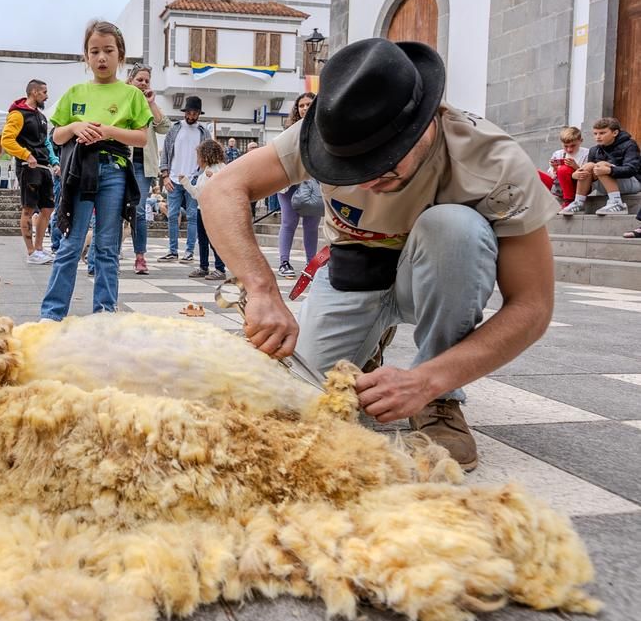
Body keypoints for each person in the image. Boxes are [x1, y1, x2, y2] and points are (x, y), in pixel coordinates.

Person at [200, 38, 560, 470]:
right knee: (298, 402)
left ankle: (439, 401)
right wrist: (261, 289)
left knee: (454, 228)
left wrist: (428, 381)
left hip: (439, 270)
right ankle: (367, 345)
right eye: (348, 168)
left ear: (425, 122)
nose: (366, 182)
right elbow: (221, 190)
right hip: (354, 271)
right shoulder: (328, 130)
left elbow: (533, 306)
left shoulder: (494, 163)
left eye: (383, 163)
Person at [40, 20, 150, 322]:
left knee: (106, 246)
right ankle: (51, 314)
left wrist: (109, 132)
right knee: (70, 244)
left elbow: (141, 137)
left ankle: (104, 315)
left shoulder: (132, 96)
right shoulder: (76, 92)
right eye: (94, 51)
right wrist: (75, 126)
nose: (101, 57)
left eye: (108, 50)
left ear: (120, 55)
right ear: (86, 57)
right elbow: (57, 136)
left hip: (115, 171)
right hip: (79, 172)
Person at [2, 79, 58, 264]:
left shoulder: (41, 117)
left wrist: (54, 161)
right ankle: (31, 252)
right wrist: (26, 155)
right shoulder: (18, 114)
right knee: (28, 209)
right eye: (44, 92)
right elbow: (7, 140)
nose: (47, 96)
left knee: (48, 208)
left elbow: (46, 142)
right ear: (34, 92)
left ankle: (40, 248)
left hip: (44, 167)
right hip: (28, 168)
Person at [125, 65, 171, 274]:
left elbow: (165, 127)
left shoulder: (148, 106)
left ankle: (140, 257)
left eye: (146, 81)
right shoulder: (122, 98)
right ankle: (106, 255)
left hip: (143, 166)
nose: (143, 84)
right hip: (121, 162)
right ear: (131, 80)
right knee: (115, 211)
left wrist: (152, 103)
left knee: (139, 211)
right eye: (140, 80)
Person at [158, 95, 212, 264]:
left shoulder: (204, 132)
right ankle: (172, 251)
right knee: (172, 215)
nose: (191, 116)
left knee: (192, 216)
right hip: (174, 178)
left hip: (194, 179)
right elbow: (166, 152)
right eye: (189, 112)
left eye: (195, 113)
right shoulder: (175, 129)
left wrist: (207, 172)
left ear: (199, 114)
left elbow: (209, 155)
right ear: (185, 112)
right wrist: (165, 175)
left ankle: (189, 252)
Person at [276, 91, 320, 278]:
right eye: (301, 105)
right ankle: (284, 262)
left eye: (308, 104)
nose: (304, 108)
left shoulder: (322, 128)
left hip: (313, 183)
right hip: (289, 183)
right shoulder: (290, 130)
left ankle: (312, 263)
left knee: (311, 224)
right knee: (289, 222)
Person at [559, 117, 640, 215]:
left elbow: (632, 169)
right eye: (595, 133)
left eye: (602, 133)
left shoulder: (629, 145)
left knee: (600, 165)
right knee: (589, 165)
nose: (598, 137)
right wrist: (575, 175)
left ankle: (617, 203)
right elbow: (590, 176)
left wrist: (610, 170)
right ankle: (578, 203)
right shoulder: (594, 150)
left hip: (632, 184)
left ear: (615, 133)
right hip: (604, 186)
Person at [188, 138, 228, 281]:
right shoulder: (203, 174)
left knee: (215, 240)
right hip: (202, 210)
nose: (197, 160)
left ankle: (220, 268)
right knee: (202, 240)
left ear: (206, 155)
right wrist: (185, 183)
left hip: (215, 210)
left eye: (198, 157)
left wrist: (215, 177)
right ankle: (203, 266)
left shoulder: (222, 168)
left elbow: (227, 184)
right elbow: (197, 195)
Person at [549, 126, 582, 207]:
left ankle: (569, 200)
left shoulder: (586, 153)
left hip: (578, 187)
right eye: (566, 146)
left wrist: (575, 167)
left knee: (564, 169)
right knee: (537, 173)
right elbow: (550, 176)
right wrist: (554, 169)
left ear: (580, 141)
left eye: (573, 146)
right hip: (558, 188)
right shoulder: (558, 154)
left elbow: (589, 175)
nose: (569, 149)